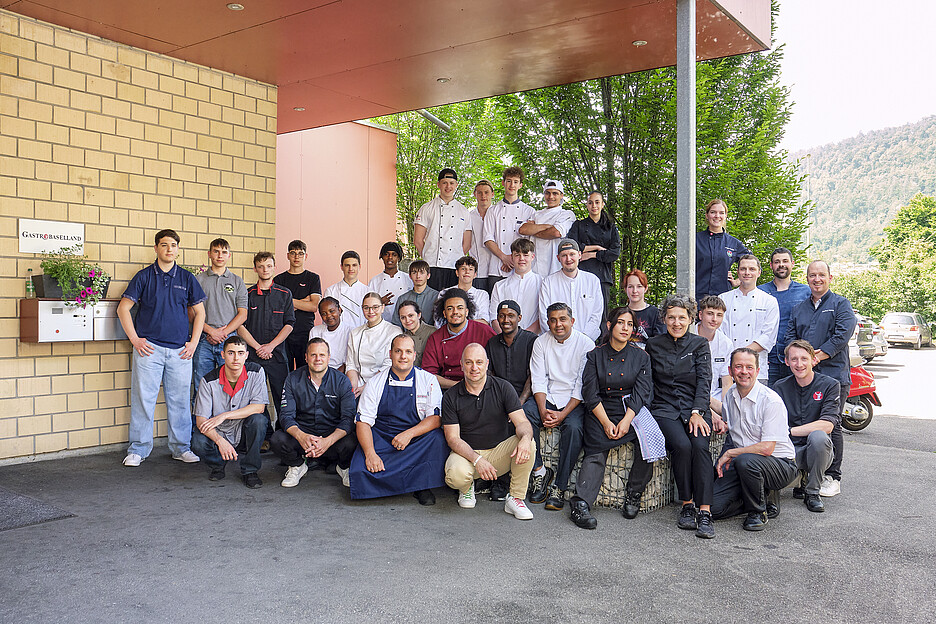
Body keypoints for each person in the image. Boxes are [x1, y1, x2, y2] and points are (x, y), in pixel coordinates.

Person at [118, 229, 206, 466]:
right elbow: (123, 308)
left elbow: (200, 312)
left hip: (180, 351)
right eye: (164, 245)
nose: (169, 249)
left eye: (173, 245)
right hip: (149, 350)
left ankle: (181, 448)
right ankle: (138, 449)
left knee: (179, 401)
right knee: (143, 400)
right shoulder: (144, 276)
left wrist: (194, 343)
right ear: (156, 248)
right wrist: (135, 340)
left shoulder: (187, 278)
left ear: (178, 249)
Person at [569, 307, 657, 529]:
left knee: (650, 441)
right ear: (609, 326)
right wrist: (607, 423)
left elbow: (642, 392)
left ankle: (634, 493)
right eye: (620, 323)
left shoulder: (641, 356)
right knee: (595, 451)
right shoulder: (594, 355)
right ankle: (580, 504)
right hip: (601, 409)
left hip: (630, 408)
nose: (625, 328)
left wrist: (627, 421)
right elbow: (590, 393)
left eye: (629, 324)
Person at [646, 294, 718, 539]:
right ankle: (687, 505)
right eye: (671, 317)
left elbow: (704, 381)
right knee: (681, 446)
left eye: (682, 317)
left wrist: (698, 412)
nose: (676, 322)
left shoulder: (699, 344)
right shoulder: (654, 344)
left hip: (694, 407)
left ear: (690, 318)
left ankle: (705, 511)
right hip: (664, 408)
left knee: (700, 446)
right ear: (664, 318)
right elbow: (649, 382)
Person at [783, 260, 856, 498]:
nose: (817, 279)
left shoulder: (841, 305)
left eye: (821, 275)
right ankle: (807, 472)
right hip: (804, 376)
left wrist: (814, 357)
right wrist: (799, 360)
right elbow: (791, 337)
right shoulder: (799, 308)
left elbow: (841, 336)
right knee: (805, 421)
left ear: (830, 278)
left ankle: (832, 476)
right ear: (807, 278)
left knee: (831, 426)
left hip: (833, 375)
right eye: (812, 275)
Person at [350, 334, 448, 505]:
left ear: (414, 355)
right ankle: (412, 480)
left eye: (408, 352)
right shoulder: (375, 382)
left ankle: (421, 486)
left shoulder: (428, 380)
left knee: (437, 439)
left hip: (416, 438)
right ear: (390, 354)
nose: (403, 356)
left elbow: (435, 418)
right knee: (359, 471)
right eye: (398, 351)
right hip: (383, 438)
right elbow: (363, 421)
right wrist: (371, 454)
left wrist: (409, 434)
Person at [442, 343, 536, 520]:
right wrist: (477, 460)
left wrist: (524, 438)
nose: (474, 368)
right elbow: (452, 439)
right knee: (455, 475)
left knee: (527, 442)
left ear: (487, 364)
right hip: (466, 455)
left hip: (498, 454)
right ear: (461, 365)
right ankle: (466, 487)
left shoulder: (503, 387)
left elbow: (522, 422)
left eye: (479, 362)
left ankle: (515, 498)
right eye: (469, 362)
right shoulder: (451, 396)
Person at [711, 348, 797, 532]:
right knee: (712, 508)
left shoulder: (770, 401)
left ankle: (757, 512)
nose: (744, 371)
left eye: (749, 367)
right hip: (744, 463)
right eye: (738, 366)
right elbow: (725, 417)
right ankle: (760, 495)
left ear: (758, 371)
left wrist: (730, 453)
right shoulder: (731, 395)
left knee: (745, 460)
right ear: (730, 370)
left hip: (779, 464)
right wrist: (703, 398)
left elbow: (767, 448)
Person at [524, 302, 594, 510]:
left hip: (573, 401)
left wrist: (562, 415)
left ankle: (559, 485)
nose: (558, 324)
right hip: (548, 396)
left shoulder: (586, 344)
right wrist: (543, 409)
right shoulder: (541, 342)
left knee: (574, 429)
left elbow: (582, 385)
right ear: (548, 323)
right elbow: (538, 378)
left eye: (563, 319)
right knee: (524, 416)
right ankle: (539, 472)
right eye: (553, 320)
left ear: (572, 321)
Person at [271, 338, 358, 489]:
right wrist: (301, 436)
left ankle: (343, 467)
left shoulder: (342, 381)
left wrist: (328, 441)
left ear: (329, 357)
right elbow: (286, 416)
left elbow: (348, 419)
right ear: (306, 357)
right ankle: (298, 465)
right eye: (313, 355)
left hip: (332, 437)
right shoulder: (293, 379)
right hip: (304, 437)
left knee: (354, 440)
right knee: (277, 439)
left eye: (322, 355)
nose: (318, 359)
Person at [191, 336, 269, 488]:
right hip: (220, 432)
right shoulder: (208, 381)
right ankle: (218, 463)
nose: (236, 358)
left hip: (244, 429)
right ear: (223, 355)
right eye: (231, 353)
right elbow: (201, 421)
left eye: (240, 353)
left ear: (246, 355)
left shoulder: (256, 371)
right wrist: (220, 441)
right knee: (197, 442)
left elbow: (259, 407)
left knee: (259, 421)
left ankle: (250, 470)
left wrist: (224, 415)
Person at [774, 340, 840, 513]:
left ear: (814, 360)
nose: (799, 364)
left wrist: (789, 431)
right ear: (787, 362)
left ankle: (812, 492)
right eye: (794, 359)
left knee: (818, 436)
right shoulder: (779, 388)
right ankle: (795, 481)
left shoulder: (830, 385)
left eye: (804, 358)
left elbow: (827, 425)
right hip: (789, 450)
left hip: (819, 451)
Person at [237, 252, 295, 442]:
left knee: (282, 397)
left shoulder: (285, 294)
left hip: (278, 356)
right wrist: (257, 347)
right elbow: (240, 326)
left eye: (268, 266)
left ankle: (283, 437)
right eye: (261, 266)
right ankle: (263, 438)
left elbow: (289, 324)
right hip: (254, 357)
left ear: (274, 267)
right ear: (255, 269)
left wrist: (270, 346)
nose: (265, 270)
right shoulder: (247, 294)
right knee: (256, 399)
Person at [484, 299, 537, 501]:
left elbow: (534, 376)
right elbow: (488, 374)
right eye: (502, 316)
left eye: (511, 316)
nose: (506, 320)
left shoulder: (531, 340)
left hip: (526, 395)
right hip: (499, 395)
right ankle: (495, 476)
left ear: (519, 318)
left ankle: (515, 480)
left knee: (523, 421)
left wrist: (518, 403)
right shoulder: (492, 343)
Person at [192, 238, 248, 402]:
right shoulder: (198, 280)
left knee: (232, 387)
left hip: (230, 342)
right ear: (209, 254)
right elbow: (191, 313)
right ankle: (200, 428)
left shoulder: (237, 281)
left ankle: (228, 427)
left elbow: (242, 314)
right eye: (216, 251)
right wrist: (211, 331)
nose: (220, 255)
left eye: (224, 252)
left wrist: (223, 333)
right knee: (201, 388)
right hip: (203, 341)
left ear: (229, 255)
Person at [718, 254, 779, 382]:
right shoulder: (723, 299)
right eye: (743, 269)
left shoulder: (769, 301)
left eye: (752, 269)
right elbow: (718, 333)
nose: (747, 273)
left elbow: (768, 337)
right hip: (727, 368)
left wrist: (741, 356)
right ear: (738, 272)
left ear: (759, 273)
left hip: (757, 369)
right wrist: (734, 358)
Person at [421, 288, 496, 389]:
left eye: (460, 308)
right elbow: (428, 375)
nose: (455, 312)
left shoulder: (484, 331)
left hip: (482, 387)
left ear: (466, 311)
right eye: (450, 308)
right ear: (444, 313)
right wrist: (458, 386)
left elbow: (498, 363)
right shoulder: (436, 338)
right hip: (449, 389)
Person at [758, 247, 811, 386]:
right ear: (771, 265)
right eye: (777, 262)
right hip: (769, 359)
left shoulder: (805, 292)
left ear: (792, 263)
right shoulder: (760, 292)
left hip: (796, 360)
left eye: (785, 261)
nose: (781, 264)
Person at [413, 168, 470, 291]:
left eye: (451, 183)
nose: (448, 186)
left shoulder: (464, 211)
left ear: (456, 185)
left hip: (454, 267)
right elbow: (417, 240)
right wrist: (429, 256)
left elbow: (467, 243)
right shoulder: (426, 208)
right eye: (444, 183)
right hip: (432, 266)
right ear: (438, 184)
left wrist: (456, 256)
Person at [568, 191, 621, 319]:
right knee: (580, 313)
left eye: (597, 202)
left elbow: (614, 253)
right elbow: (570, 245)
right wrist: (596, 248)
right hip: (581, 275)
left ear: (602, 204)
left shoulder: (611, 227)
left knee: (602, 316)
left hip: (603, 277)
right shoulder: (578, 225)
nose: (594, 206)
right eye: (590, 202)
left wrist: (591, 255)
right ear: (587, 205)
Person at [538, 239, 603, 342]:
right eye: (564, 255)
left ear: (579, 255)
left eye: (572, 254)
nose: (568, 259)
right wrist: (561, 339)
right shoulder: (548, 283)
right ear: (558, 258)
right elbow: (544, 316)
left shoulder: (592, 281)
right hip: (556, 343)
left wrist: (583, 340)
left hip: (586, 342)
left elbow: (596, 315)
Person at [273, 239, 321, 371]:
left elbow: (313, 307)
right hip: (283, 333)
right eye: (293, 253)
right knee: (284, 373)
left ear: (305, 256)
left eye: (300, 253)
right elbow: (277, 308)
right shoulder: (279, 280)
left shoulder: (313, 278)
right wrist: (304, 301)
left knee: (305, 372)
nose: (296, 257)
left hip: (305, 332)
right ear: (288, 255)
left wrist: (288, 301)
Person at [483, 166, 535, 288]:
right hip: (496, 267)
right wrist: (504, 257)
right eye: (509, 181)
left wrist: (513, 260)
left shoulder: (529, 211)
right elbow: (488, 239)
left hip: (520, 268)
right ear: (503, 183)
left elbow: (529, 242)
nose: (512, 185)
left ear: (520, 185)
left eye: (515, 182)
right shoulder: (493, 211)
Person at [695, 198, 751, 299]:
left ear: (725, 216)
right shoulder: (695, 240)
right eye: (713, 212)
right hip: (697, 298)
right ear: (707, 215)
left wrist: (738, 281)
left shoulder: (733, 243)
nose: (717, 216)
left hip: (723, 298)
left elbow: (754, 264)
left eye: (721, 213)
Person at [345, 292, 398, 397]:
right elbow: (351, 364)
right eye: (366, 308)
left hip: (384, 385)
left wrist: (365, 388)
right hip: (358, 383)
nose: (371, 312)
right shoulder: (355, 333)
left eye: (375, 307)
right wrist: (354, 388)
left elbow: (388, 366)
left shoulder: (394, 332)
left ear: (382, 308)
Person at [519, 179, 575, 277]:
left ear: (561, 195)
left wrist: (533, 230)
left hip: (555, 268)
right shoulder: (536, 214)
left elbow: (556, 233)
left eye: (555, 193)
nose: (551, 197)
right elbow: (523, 230)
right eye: (547, 193)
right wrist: (547, 227)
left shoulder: (567, 214)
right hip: (534, 268)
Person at [489, 238, 542, 333]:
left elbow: (543, 315)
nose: (521, 259)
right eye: (517, 255)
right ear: (512, 257)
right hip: (504, 341)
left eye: (525, 255)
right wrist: (506, 337)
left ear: (532, 257)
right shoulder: (500, 286)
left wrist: (523, 338)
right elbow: (494, 318)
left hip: (534, 339)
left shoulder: (542, 283)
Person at [696, 295, 734, 415]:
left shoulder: (725, 343)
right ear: (700, 315)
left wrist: (725, 409)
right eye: (710, 314)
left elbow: (727, 382)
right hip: (690, 395)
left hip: (713, 394)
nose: (714, 319)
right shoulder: (687, 335)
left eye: (719, 315)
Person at [436, 255, 490, 324]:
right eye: (463, 269)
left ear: (475, 275)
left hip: (474, 333)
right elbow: (438, 321)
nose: (467, 272)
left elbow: (485, 321)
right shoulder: (444, 293)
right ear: (457, 273)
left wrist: (460, 324)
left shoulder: (482, 295)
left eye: (470, 269)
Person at [367, 241, 413, 323]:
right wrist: (380, 302)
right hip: (382, 325)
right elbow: (368, 305)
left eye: (394, 255)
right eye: (386, 254)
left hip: (406, 324)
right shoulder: (374, 281)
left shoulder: (408, 279)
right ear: (382, 257)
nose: (390, 257)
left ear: (398, 258)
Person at [323, 251, 369, 329]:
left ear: (359, 266)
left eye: (354, 265)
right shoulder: (331, 291)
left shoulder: (368, 291)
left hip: (361, 334)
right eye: (347, 265)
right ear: (341, 267)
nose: (351, 269)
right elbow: (326, 319)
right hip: (337, 335)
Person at [623, 268, 666, 347]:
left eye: (639, 286)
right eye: (630, 287)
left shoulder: (656, 314)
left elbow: (660, 343)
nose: (634, 291)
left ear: (645, 288)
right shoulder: (620, 313)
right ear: (625, 289)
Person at [391, 259, 438, 328]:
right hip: (407, 336)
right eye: (414, 272)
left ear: (428, 276)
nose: (418, 276)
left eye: (422, 272)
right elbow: (396, 325)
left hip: (430, 336)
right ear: (410, 276)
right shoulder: (403, 298)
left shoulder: (436, 296)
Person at [308, 296, 351, 372]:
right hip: (319, 371)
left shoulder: (350, 332)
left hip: (341, 373)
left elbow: (349, 362)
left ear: (339, 310)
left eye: (332, 311)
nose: (328, 316)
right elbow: (313, 358)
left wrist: (333, 377)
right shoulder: (315, 331)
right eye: (324, 313)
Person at [467, 180, 495, 293]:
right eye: (480, 193)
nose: (483, 196)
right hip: (477, 272)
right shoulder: (469, 216)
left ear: (492, 194)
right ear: (475, 194)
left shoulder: (498, 214)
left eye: (486, 192)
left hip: (496, 270)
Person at [397, 300, 435, 367]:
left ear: (419, 315)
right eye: (403, 317)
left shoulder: (433, 332)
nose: (407, 320)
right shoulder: (403, 337)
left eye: (411, 315)